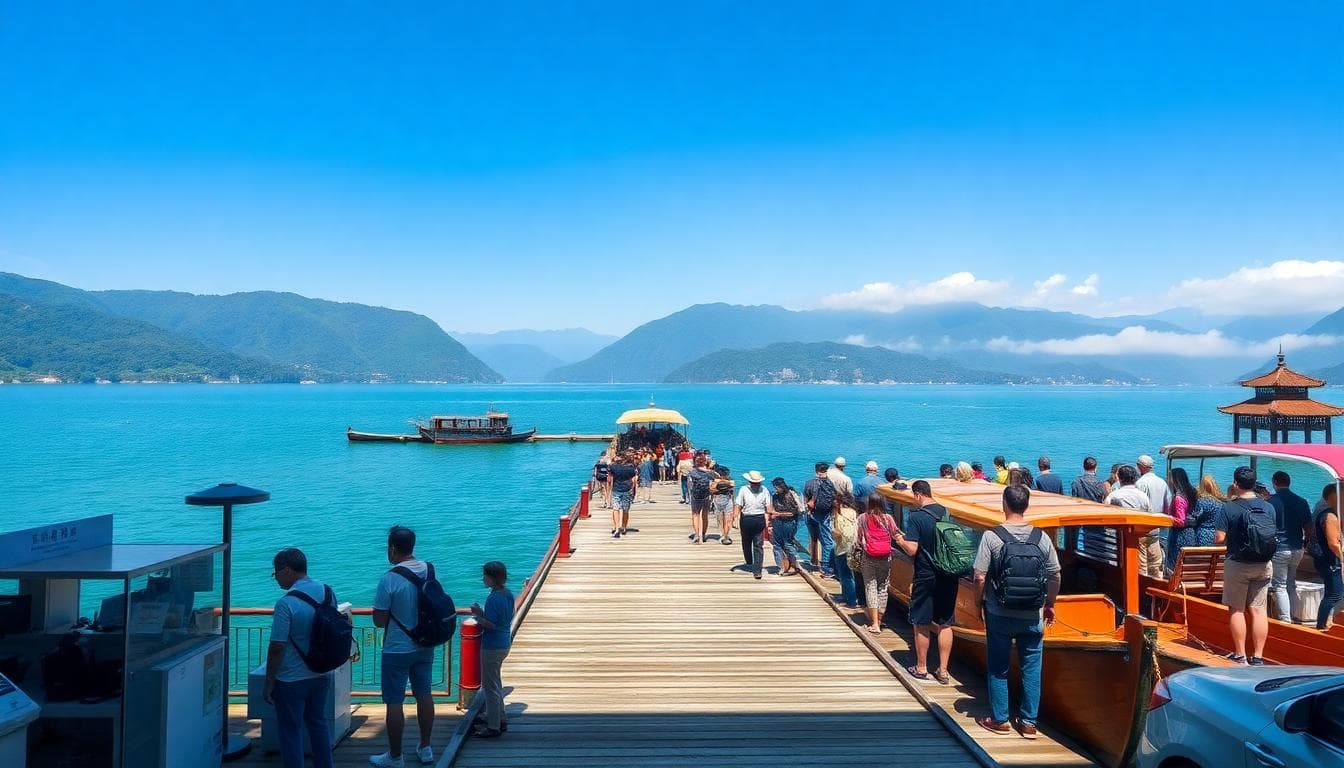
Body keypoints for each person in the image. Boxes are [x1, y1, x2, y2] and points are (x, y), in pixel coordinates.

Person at [973, 485, 1061, 739]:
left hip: (999, 611)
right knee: (1032, 668)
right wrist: (1050, 603)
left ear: (1005, 504)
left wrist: (979, 603)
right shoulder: (1041, 537)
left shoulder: (992, 537)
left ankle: (1000, 719)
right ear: (1027, 505)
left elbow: (979, 576)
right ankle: (1029, 722)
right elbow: (1055, 574)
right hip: (1033, 614)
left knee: (998, 666)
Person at [263, 548, 336, 768]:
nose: (275, 577)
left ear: (286, 570)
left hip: (291, 679)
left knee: (290, 731)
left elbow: (277, 647)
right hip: (321, 672)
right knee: (318, 724)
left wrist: (268, 683)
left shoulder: (285, 604)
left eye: (275, 572)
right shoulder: (327, 592)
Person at [371, 527, 436, 767]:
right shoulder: (429, 570)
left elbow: (379, 620)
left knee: (394, 701)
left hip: (397, 648)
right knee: (424, 695)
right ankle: (426, 747)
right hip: (425, 643)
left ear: (392, 549)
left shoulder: (389, 579)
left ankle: (396, 756)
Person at [892, 480, 957, 685]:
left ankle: (921, 667)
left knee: (921, 620)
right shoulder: (947, 513)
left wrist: (899, 540)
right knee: (946, 622)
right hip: (949, 574)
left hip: (926, 574)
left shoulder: (917, 517)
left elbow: (912, 549)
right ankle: (944, 670)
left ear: (918, 495)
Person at [1216, 466, 1278, 664]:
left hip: (1238, 563)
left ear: (1235, 484)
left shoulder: (1229, 507)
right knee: (1259, 610)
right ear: (1254, 483)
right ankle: (1258, 656)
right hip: (1264, 563)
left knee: (1237, 609)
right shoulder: (1268, 507)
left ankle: (1240, 654)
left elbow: (1219, 538)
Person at [469, 561, 514, 738]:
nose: (483, 579)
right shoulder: (508, 594)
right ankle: (499, 716)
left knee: (490, 686)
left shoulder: (493, 598)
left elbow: (491, 625)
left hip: (492, 646)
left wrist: (477, 616)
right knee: (495, 681)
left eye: (485, 576)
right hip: (504, 643)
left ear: (492, 578)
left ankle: (493, 726)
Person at [1268, 471, 1312, 623]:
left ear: (1274, 482)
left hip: (1280, 547)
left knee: (1279, 585)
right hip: (1297, 547)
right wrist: (1305, 543)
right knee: (1291, 583)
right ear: (1289, 482)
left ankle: (1286, 621)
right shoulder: (1301, 501)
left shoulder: (1271, 502)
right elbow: (1308, 527)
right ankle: (1295, 616)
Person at [1104, 465, 1163, 578]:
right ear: (1135, 478)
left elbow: (1107, 521)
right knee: (1153, 565)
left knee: (1138, 568)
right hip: (1147, 533)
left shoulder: (1113, 496)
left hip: (1125, 538)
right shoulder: (1143, 496)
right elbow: (1149, 514)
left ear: (1119, 478)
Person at [856, 496, 897, 634]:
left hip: (869, 557)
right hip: (886, 557)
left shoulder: (862, 518)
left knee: (870, 587)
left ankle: (874, 624)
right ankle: (879, 620)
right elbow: (895, 534)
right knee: (883, 588)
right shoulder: (888, 518)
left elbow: (859, 538)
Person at [1311, 485, 1342, 630]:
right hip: (1330, 560)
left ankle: (1327, 622)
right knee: (1334, 594)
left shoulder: (1335, 513)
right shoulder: (1329, 515)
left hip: (1329, 559)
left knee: (1335, 592)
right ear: (1332, 496)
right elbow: (1333, 543)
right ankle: (1322, 625)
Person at [734, 471, 774, 579]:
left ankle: (756, 569)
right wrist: (735, 518)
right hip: (749, 518)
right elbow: (738, 505)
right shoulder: (762, 490)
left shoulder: (747, 489)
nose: (756, 485)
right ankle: (752, 565)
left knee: (757, 544)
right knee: (749, 543)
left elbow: (768, 508)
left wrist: (769, 518)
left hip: (755, 518)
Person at [803, 462, 837, 578]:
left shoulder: (809, 483)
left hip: (810, 514)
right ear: (826, 470)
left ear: (816, 470)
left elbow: (805, 498)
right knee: (827, 542)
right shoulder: (830, 483)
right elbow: (833, 500)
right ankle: (826, 567)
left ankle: (813, 561)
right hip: (824, 515)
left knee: (814, 538)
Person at [1164, 467, 1200, 573]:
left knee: (1175, 563)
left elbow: (1180, 520)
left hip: (1179, 535)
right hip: (1190, 533)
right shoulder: (1192, 493)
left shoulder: (1178, 498)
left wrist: (1168, 518)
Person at [830, 489, 860, 607]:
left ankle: (851, 599)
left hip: (842, 547)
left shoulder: (837, 514)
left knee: (845, 574)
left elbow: (837, 533)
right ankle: (847, 596)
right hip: (853, 546)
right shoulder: (852, 512)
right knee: (850, 573)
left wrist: (832, 531)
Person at [770, 477, 804, 576]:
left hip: (789, 523)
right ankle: (781, 567)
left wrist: (778, 514)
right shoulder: (775, 495)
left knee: (787, 544)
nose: (775, 489)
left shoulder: (789, 495)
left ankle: (796, 564)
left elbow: (793, 513)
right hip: (778, 522)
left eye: (776, 487)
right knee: (776, 545)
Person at [609, 452, 638, 538]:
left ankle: (617, 528)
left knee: (616, 509)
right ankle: (624, 527)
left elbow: (609, 479)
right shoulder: (631, 468)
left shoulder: (613, 467)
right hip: (627, 490)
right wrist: (632, 488)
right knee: (625, 510)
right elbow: (635, 479)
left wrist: (610, 488)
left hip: (616, 489)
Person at [710, 464, 736, 545]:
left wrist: (719, 483)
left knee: (727, 519)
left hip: (726, 499)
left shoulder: (716, 480)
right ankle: (723, 535)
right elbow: (711, 489)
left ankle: (726, 535)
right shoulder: (715, 480)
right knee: (721, 518)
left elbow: (732, 486)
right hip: (718, 500)